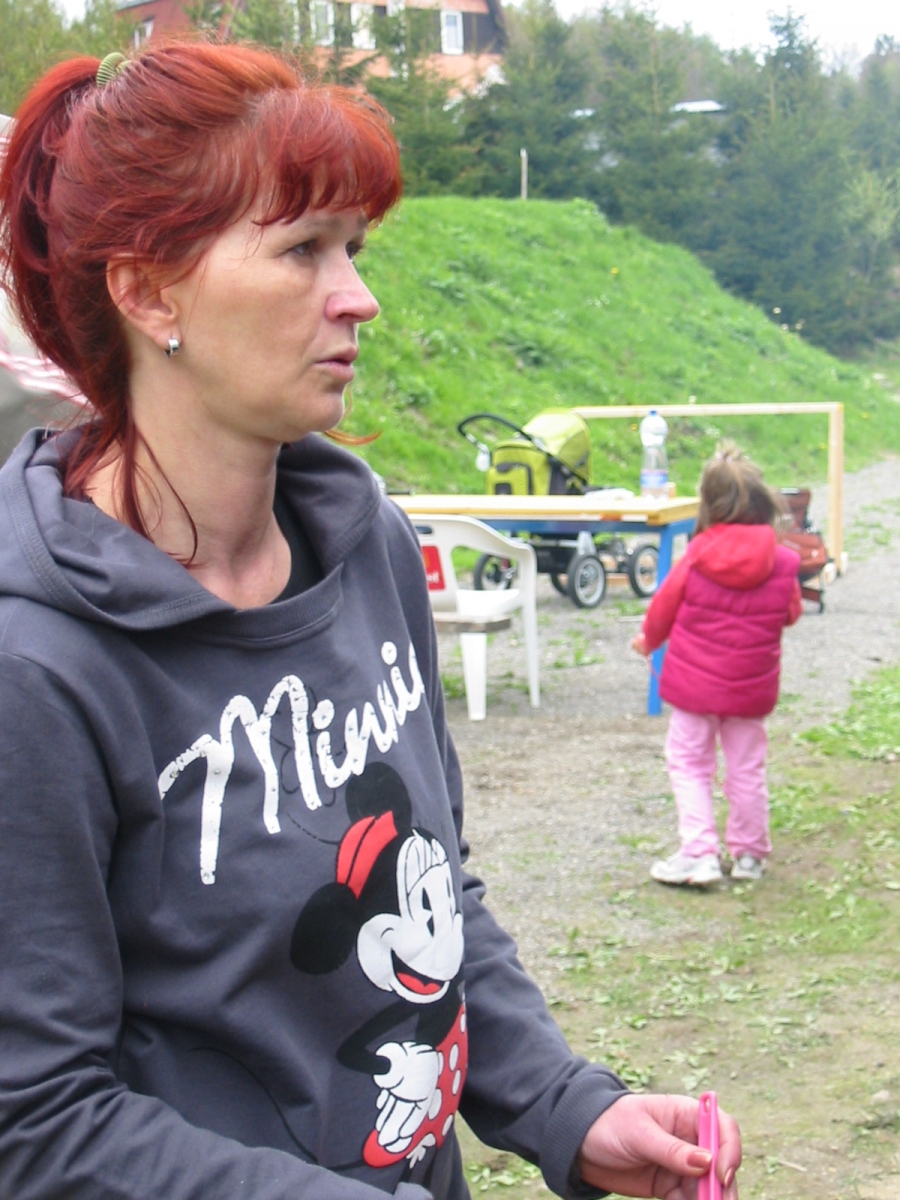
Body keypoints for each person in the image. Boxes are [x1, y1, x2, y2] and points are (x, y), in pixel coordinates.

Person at [0, 42, 741, 1200]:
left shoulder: (371, 551)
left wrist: (563, 1104)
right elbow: (38, 1123)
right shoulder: (35, 667)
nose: (357, 296)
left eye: (354, 247)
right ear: (147, 293)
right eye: (303, 249)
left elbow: (428, 888)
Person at [632, 443, 802, 888]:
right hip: (750, 689)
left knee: (689, 762)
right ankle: (749, 855)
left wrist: (647, 640)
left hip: (695, 689)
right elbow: (791, 613)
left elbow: (663, 609)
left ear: (708, 504)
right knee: (746, 768)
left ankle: (699, 852)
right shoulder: (783, 560)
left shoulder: (697, 556)